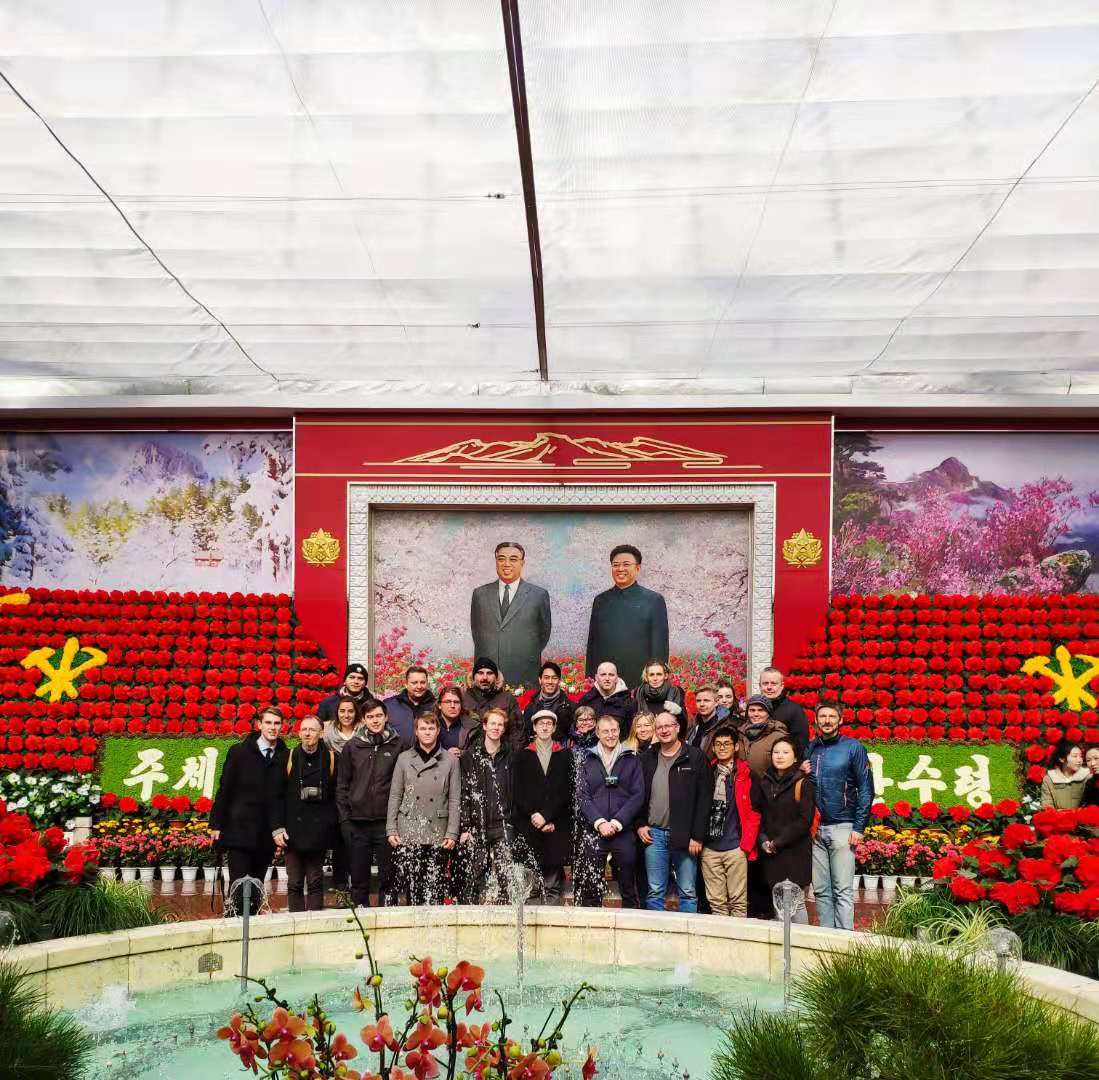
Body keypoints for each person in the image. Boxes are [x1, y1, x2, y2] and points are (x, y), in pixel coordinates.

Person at [210, 705, 290, 914]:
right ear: (259, 725)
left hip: (265, 834)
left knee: (257, 884)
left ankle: (251, 927)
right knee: (238, 885)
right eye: (268, 723)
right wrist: (216, 824)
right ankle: (234, 927)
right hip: (239, 831)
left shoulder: (285, 755)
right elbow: (225, 789)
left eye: (277, 723)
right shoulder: (239, 752)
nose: (273, 727)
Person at [807, 699, 873, 931]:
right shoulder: (811, 748)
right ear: (816, 720)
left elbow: (866, 788)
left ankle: (844, 941)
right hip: (816, 828)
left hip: (843, 827)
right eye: (822, 717)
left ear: (840, 720)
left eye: (831, 717)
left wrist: (859, 827)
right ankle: (825, 938)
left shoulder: (853, 748)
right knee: (821, 890)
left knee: (842, 889)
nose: (827, 721)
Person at [637, 711, 712, 913]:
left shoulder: (695, 757)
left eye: (668, 726)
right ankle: (657, 938)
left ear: (677, 727)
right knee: (654, 890)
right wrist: (641, 824)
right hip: (654, 835)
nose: (664, 730)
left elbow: (704, 800)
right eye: (659, 727)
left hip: (686, 836)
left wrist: (697, 836)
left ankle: (687, 939)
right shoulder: (648, 757)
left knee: (687, 890)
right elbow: (639, 793)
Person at [386, 712, 460, 905]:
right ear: (416, 732)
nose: (427, 732)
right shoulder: (403, 758)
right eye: (423, 728)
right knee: (413, 886)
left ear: (438, 731)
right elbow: (395, 795)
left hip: (437, 829)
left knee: (435, 884)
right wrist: (391, 829)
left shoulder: (451, 760)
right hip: (409, 827)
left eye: (431, 728)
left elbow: (454, 799)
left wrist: (452, 833)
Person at [575, 714, 645, 908]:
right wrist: (599, 822)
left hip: (623, 831)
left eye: (614, 730)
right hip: (594, 831)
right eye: (605, 731)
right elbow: (582, 795)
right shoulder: (586, 759)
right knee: (591, 889)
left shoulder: (631, 758)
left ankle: (631, 932)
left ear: (619, 731)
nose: (610, 735)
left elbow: (638, 794)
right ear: (597, 732)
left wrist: (616, 822)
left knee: (629, 888)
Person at [337, 698, 402, 907]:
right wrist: (345, 821)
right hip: (358, 823)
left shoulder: (398, 744)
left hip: (386, 823)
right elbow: (342, 786)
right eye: (370, 717)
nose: (375, 720)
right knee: (359, 879)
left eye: (379, 716)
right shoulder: (352, 746)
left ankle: (388, 922)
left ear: (386, 717)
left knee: (388, 878)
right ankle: (361, 922)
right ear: (363, 719)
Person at [271, 715, 338, 912]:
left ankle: (314, 928)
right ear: (299, 732)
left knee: (316, 882)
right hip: (292, 831)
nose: (308, 733)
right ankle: (295, 925)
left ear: (321, 733)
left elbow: (337, 796)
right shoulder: (287, 757)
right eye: (304, 729)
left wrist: (330, 826)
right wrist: (277, 827)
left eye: (312, 729)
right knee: (294, 883)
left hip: (319, 831)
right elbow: (276, 796)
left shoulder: (332, 758)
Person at [470, 541, 552, 689]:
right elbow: (477, 633)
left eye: (513, 559)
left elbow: (543, 634)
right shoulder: (480, 594)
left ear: (522, 563)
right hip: (488, 677)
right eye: (501, 559)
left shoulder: (539, 595)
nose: (506, 564)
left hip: (524, 675)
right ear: (496, 562)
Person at [585, 545, 669, 688]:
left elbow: (659, 644)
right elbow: (593, 643)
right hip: (607, 680)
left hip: (640, 679)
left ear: (637, 568)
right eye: (615, 565)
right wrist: (589, 677)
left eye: (626, 564)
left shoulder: (653, 600)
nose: (620, 569)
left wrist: (655, 678)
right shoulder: (600, 600)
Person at [701, 726, 763, 917]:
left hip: (735, 846)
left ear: (736, 746)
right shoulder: (706, 772)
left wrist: (746, 845)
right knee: (716, 903)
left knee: (738, 902)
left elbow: (755, 811)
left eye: (727, 743)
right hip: (710, 847)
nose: (722, 748)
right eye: (718, 744)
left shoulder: (745, 773)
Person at [513, 709, 573, 904]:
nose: (545, 727)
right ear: (534, 727)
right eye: (541, 723)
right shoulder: (522, 755)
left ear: (554, 727)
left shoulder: (564, 755)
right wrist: (535, 816)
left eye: (549, 723)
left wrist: (547, 816)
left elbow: (567, 791)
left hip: (556, 824)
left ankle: (551, 924)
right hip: (530, 825)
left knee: (552, 885)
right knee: (530, 887)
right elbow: (518, 792)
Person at [459, 708, 517, 903]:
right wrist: (466, 826)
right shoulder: (470, 755)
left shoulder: (511, 754)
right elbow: (464, 792)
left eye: (500, 724)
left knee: (506, 877)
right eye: (492, 723)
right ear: (484, 726)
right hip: (478, 825)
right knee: (473, 876)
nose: (496, 728)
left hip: (503, 825)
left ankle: (505, 920)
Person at [759, 737, 816, 924]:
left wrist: (778, 842)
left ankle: (801, 945)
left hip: (795, 853)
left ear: (794, 758)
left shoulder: (803, 783)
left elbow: (804, 820)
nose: (780, 756)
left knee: (796, 903)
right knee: (778, 903)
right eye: (776, 752)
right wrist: (763, 840)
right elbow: (759, 815)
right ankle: (784, 948)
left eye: (785, 752)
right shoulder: (765, 782)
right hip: (771, 854)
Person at [461, 657, 523, 749]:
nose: (485, 678)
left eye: (489, 673)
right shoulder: (464, 698)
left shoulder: (507, 699)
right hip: (470, 754)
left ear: (496, 677)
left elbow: (517, 730)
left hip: (502, 754)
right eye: (480, 673)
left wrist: (512, 755)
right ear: (474, 676)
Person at [758, 667, 810, 756]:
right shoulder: (755, 708)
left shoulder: (793, 710)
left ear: (781, 686)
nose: (769, 687)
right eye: (765, 683)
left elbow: (801, 744)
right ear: (760, 685)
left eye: (774, 683)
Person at [521, 660, 575, 744]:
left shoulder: (569, 707)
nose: (550, 682)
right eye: (546, 678)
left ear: (559, 681)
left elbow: (574, 736)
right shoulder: (531, 706)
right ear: (540, 680)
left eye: (554, 678)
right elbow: (524, 733)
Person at [577, 661, 636, 738]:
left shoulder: (628, 702)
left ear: (616, 678)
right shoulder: (586, 700)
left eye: (611, 675)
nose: (607, 678)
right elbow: (575, 728)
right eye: (603, 675)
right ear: (596, 677)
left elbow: (632, 735)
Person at [736, 695, 789, 780]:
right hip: (743, 788)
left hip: (766, 789)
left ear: (768, 713)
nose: (756, 714)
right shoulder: (740, 734)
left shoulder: (778, 736)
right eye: (752, 710)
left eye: (761, 710)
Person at [384, 665, 436, 748]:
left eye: (422, 682)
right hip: (397, 758)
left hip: (428, 757)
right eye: (414, 683)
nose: (419, 686)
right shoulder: (389, 705)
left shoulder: (435, 706)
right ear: (406, 684)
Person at [1040, 740, 1090, 808]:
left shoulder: (1087, 777)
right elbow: (1047, 806)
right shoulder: (1049, 779)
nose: (1079, 760)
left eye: (1081, 756)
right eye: (1075, 756)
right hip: (1057, 817)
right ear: (1061, 759)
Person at [435, 684, 478, 755]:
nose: (452, 706)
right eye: (448, 702)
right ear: (439, 705)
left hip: (461, 765)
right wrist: (444, 755)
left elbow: (477, 753)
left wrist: (462, 753)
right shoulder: (430, 725)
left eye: (456, 702)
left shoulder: (472, 727)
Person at [685, 686, 724, 754]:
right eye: (698, 701)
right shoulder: (691, 725)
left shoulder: (723, 726)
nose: (702, 704)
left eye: (706, 700)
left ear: (716, 702)